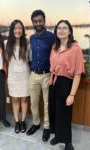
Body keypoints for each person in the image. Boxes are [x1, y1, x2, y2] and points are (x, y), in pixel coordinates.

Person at [48, 20, 85, 150]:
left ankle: (68, 142)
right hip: (54, 82)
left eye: (65, 28)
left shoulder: (76, 49)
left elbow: (78, 74)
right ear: (56, 31)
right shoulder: (54, 47)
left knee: (64, 114)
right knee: (54, 111)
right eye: (59, 28)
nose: (61, 30)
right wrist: (50, 77)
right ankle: (58, 136)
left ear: (70, 31)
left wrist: (72, 94)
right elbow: (52, 65)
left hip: (66, 84)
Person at [26, 10, 55, 142]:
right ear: (32, 23)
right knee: (33, 103)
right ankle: (36, 123)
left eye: (40, 21)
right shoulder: (31, 38)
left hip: (46, 75)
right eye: (35, 21)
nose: (38, 23)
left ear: (44, 21)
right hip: (33, 75)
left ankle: (47, 127)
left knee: (47, 104)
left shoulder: (51, 37)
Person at [5, 20, 31, 133]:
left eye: (20, 28)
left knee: (25, 99)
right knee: (15, 99)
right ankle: (16, 121)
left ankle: (23, 121)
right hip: (13, 75)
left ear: (22, 30)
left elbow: (30, 59)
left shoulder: (27, 42)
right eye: (15, 28)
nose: (17, 30)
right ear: (12, 30)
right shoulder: (6, 43)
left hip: (25, 74)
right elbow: (7, 60)